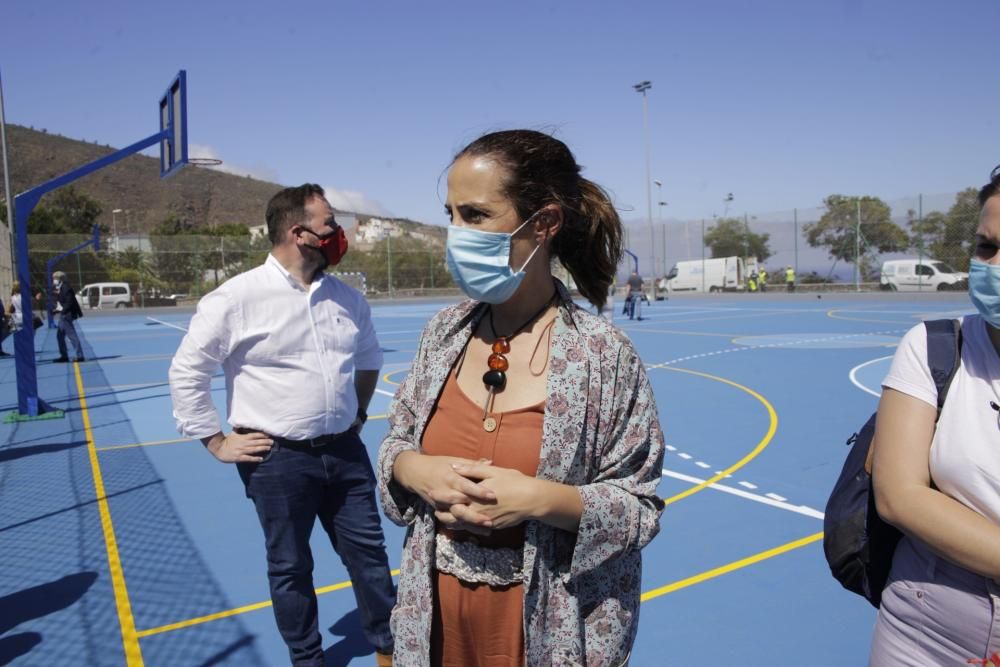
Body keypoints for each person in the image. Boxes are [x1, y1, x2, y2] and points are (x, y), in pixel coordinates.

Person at [377, 130, 665, 666]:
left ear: (545, 224)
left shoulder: (604, 356)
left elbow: (639, 508)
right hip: (435, 615)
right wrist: (413, 469)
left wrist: (539, 500)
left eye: (476, 215)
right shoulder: (443, 332)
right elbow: (397, 439)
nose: (455, 233)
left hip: (542, 625)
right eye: (451, 215)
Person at [168, 184, 395, 667]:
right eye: (330, 223)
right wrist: (215, 440)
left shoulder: (347, 299)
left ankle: (390, 648)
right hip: (276, 460)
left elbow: (370, 358)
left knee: (370, 558)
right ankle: (308, 659)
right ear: (299, 233)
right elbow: (187, 370)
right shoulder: (236, 298)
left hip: (345, 452)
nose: (338, 233)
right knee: (291, 566)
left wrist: (356, 412)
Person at [869, 166, 1000, 666]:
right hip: (924, 623)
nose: (993, 264)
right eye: (986, 247)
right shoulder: (935, 348)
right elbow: (898, 495)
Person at [51, 270, 84, 363]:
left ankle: (80, 355)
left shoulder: (66, 288)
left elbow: (69, 303)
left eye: (55, 278)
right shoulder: (61, 288)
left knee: (71, 335)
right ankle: (64, 355)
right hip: (64, 313)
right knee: (60, 336)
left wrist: (62, 311)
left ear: (60, 279)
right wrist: (57, 310)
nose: (54, 280)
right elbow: (64, 303)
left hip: (67, 315)